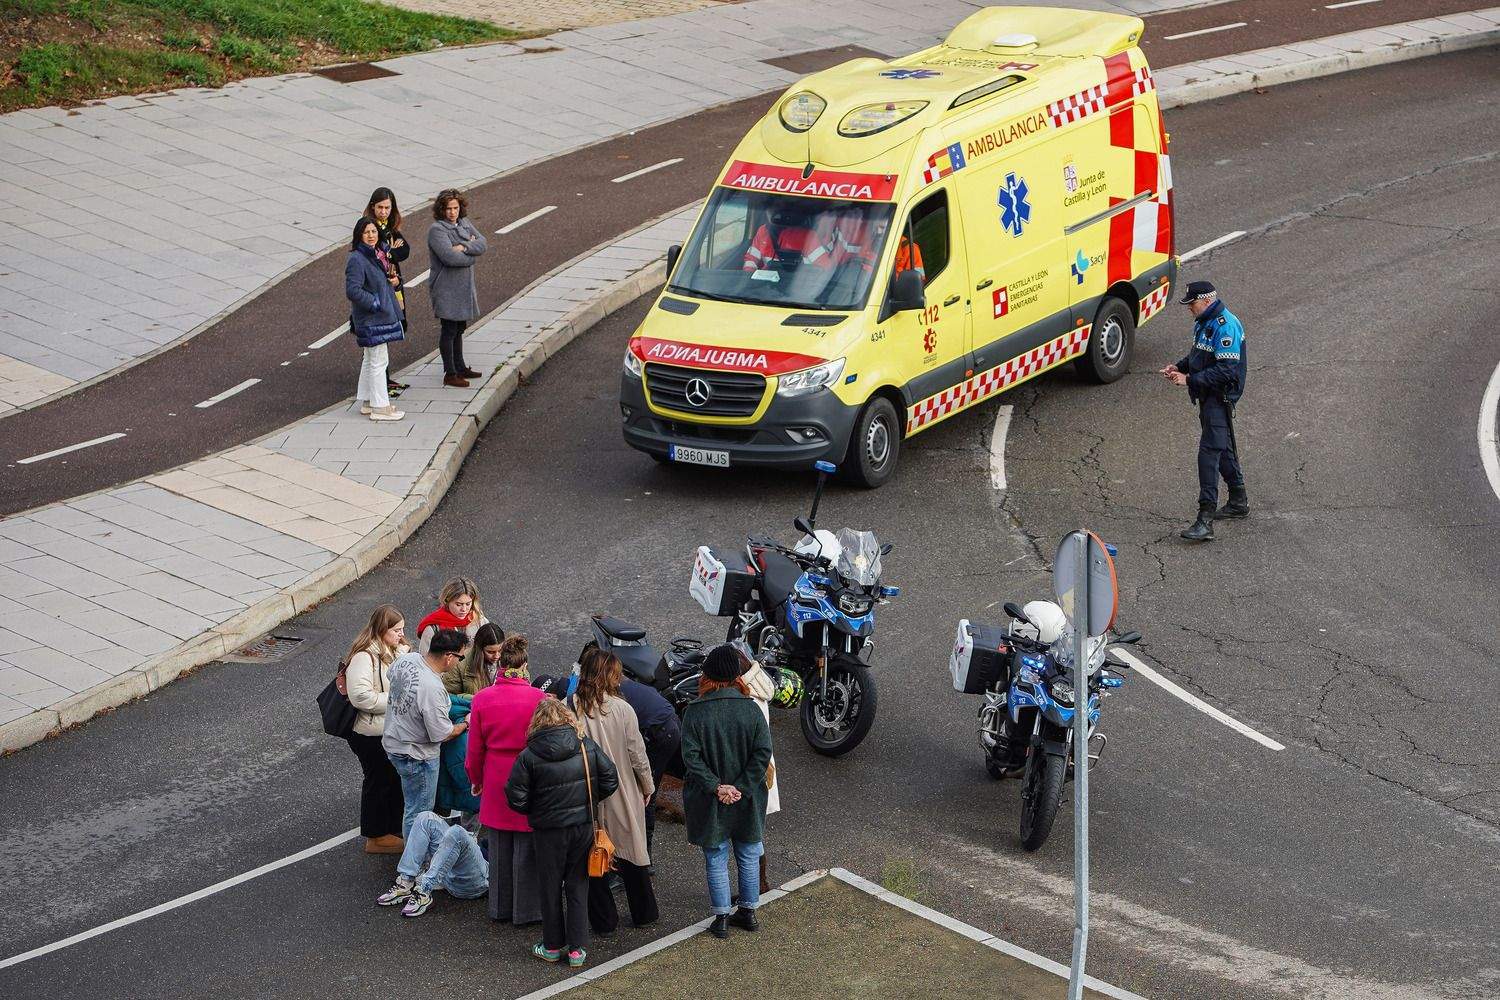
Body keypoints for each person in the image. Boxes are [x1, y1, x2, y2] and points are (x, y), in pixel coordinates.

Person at [506, 698, 618, 969]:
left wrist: (539, 809)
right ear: (568, 719)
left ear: (537, 723)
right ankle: (578, 949)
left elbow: (516, 799)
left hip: (547, 831)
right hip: (582, 827)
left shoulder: (528, 756)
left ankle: (553, 945)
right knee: (579, 884)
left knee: (550, 886)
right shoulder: (585, 745)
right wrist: (587, 804)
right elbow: (610, 780)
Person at [680, 644, 773, 940]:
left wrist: (716, 787)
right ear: (736, 674)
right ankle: (749, 912)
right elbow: (762, 754)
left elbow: (691, 758)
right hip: (747, 799)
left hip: (710, 801)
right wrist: (741, 788)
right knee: (747, 852)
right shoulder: (751, 709)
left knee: (716, 856)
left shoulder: (695, 712)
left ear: (707, 674)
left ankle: (720, 916)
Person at [569, 648, 659, 934]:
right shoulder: (623, 709)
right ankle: (644, 913)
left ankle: (604, 921)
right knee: (632, 852)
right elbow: (637, 754)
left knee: (593, 855)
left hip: (584, 793)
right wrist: (648, 786)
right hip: (622, 788)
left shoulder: (569, 707)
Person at [1160, 280, 1249, 541]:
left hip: (1219, 397)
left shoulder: (1225, 326)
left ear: (1207, 301)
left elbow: (1226, 370)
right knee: (1222, 448)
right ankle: (1238, 500)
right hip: (1208, 395)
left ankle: (1205, 520)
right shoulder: (1204, 322)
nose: (1189, 308)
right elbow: (1199, 355)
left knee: (1209, 453)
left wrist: (1189, 380)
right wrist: (1179, 368)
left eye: (1192, 303)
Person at [467, 635, 546, 925]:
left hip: (496, 776)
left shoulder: (482, 699)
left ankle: (499, 908)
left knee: (499, 846)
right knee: (527, 847)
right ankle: (526, 911)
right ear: (524, 665)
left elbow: (474, 750)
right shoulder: (539, 699)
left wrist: (476, 779)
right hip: (529, 777)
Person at [383, 629, 469, 838]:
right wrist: (465, 724)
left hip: (394, 742)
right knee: (419, 813)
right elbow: (442, 733)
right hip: (418, 756)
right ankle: (414, 864)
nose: (460, 662)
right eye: (461, 657)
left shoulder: (408, 660)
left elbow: (390, 675)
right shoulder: (432, 688)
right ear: (449, 656)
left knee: (412, 806)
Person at [343, 604, 409, 854]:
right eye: (396, 630)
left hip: (389, 729)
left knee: (394, 779)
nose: (401, 635)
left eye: (402, 629)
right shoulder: (364, 656)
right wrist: (397, 700)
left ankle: (391, 830)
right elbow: (360, 696)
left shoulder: (395, 650)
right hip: (371, 734)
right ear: (383, 630)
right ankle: (376, 836)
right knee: (378, 781)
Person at [344, 217, 405, 422]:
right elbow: (352, 290)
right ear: (359, 235)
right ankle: (381, 406)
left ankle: (369, 402)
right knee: (379, 361)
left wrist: (393, 281)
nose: (371, 236)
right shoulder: (357, 259)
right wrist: (375, 303)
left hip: (376, 317)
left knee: (371, 360)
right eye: (366, 232)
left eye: (373, 232)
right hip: (372, 318)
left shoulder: (377, 255)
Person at [375, 810, 488, 918]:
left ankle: (424, 890)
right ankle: (406, 882)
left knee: (457, 832)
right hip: (449, 876)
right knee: (425, 817)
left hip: (477, 882)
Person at [427, 188, 487, 388]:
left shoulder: (465, 223)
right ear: (441, 210)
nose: (452, 212)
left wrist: (463, 247)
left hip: (463, 287)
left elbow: (483, 244)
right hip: (446, 287)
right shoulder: (437, 230)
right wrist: (471, 249)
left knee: (460, 327)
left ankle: (460, 367)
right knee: (449, 329)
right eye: (448, 208)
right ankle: (450, 373)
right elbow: (449, 258)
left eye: (455, 207)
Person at [737, 647, 781, 895]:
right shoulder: (759, 688)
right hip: (764, 770)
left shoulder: (746, 699)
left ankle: (756, 888)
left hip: (753, 774)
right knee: (754, 836)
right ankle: (757, 886)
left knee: (751, 838)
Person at [365, 187, 412, 399]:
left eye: (388, 208)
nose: (384, 212)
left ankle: (385, 376)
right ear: (373, 207)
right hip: (379, 287)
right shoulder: (370, 228)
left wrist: (391, 251)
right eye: (380, 207)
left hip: (394, 284)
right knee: (380, 332)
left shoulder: (389, 227)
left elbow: (405, 250)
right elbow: (379, 253)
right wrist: (391, 250)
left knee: (394, 326)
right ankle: (379, 382)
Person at [414, 576, 491, 694]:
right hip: (446, 689)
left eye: (468, 604)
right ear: (447, 601)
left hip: (476, 683)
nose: (464, 609)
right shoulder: (433, 629)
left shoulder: (478, 619)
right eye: (459, 604)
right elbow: (425, 666)